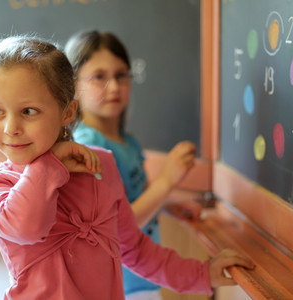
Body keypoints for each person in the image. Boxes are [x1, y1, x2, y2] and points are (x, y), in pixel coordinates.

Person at [0, 34, 255, 300]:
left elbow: (135, 249)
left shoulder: (99, 166)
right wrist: (49, 164)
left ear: (67, 112)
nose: (10, 128)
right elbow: (27, 226)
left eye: (28, 111)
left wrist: (203, 274)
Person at [66, 30, 204, 299]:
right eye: (99, 77)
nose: (114, 86)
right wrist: (166, 182)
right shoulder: (88, 147)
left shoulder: (127, 142)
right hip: (120, 286)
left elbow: (130, 200)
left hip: (143, 276)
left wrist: (166, 203)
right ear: (73, 86)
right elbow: (116, 228)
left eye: (121, 75)